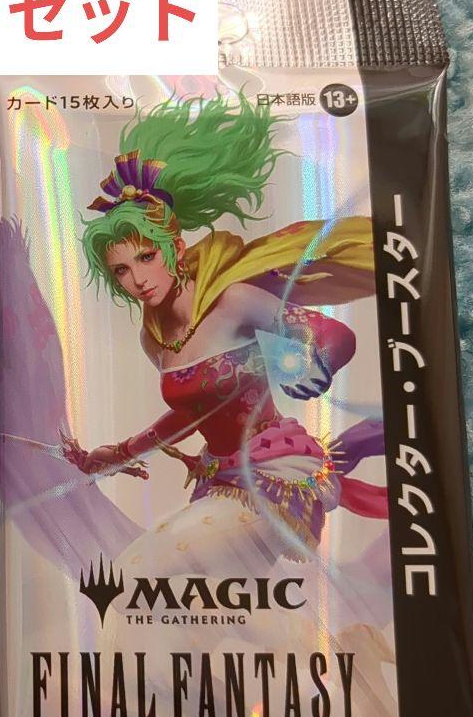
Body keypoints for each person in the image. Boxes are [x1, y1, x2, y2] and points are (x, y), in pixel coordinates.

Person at [62, 96, 387, 560]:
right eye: (121, 271)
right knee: (212, 601)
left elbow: (335, 336)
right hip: (221, 478)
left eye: (146, 257)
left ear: (175, 247)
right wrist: (118, 453)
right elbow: (190, 415)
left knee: (141, 565)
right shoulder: (154, 338)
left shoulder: (232, 302)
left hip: (275, 471)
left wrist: (309, 365)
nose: (138, 280)